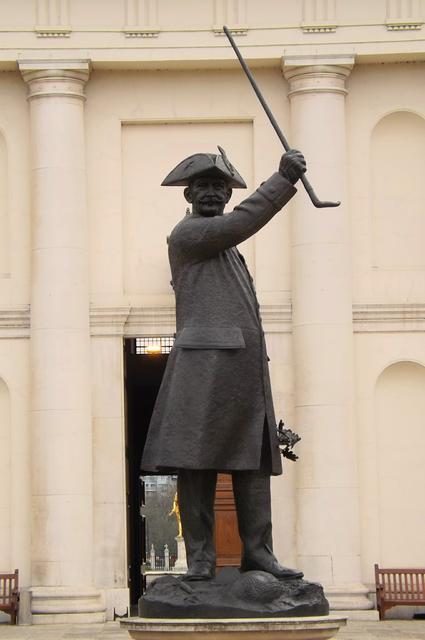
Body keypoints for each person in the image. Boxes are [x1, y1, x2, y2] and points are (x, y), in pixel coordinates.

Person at [141, 146, 306, 580]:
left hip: (244, 369)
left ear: (228, 194)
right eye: (204, 187)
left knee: (252, 461)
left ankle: (259, 554)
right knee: (196, 464)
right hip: (204, 367)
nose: (213, 193)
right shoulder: (189, 235)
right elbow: (240, 224)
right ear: (188, 195)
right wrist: (282, 180)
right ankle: (201, 559)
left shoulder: (228, 250)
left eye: (220, 186)